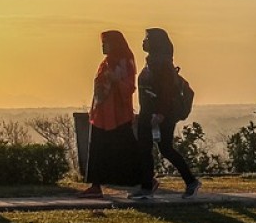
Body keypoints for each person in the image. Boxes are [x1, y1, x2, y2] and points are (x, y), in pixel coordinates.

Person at [132, 27, 200, 199]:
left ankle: (187, 181)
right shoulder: (153, 62)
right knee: (148, 149)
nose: (143, 42)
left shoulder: (162, 64)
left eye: (147, 38)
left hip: (159, 115)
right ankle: (149, 186)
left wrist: (160, 114)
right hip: (148, 112)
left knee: (163, 149)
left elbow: (166, 92)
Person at [80, 30, 141, 198]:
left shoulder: (125, 62)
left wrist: (116, 80)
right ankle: (96, 185)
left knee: (126, 148)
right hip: (102, 113)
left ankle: (146, 179)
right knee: (98, 148)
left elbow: (129, 87)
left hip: (118, 113)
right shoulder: (106, 63)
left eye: (105, 43)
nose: (103, 46)